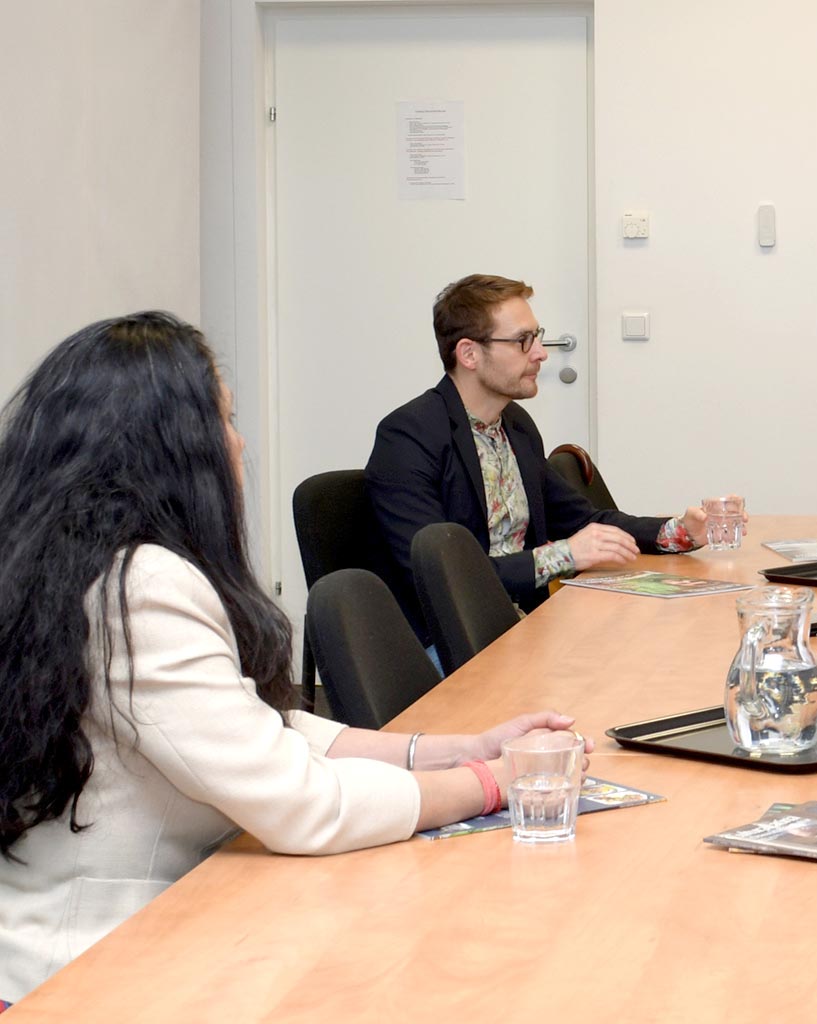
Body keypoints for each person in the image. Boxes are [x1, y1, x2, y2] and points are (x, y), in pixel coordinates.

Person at [0, 312, 592, 1003]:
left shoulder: (74, 566)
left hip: (124, 939)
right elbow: (302, 804)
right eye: (224, 420)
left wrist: (459, 749)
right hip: (97, 971)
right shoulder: (143, 588)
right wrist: (494, 784)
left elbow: (253, 724)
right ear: (169, 448)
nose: (239, 442)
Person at [366, 273, 729, 640]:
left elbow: (583, 521)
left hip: (527, 622)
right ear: (469, 353)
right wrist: (564, 555)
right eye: (523, 341)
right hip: (453, 639)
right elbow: (439, 576)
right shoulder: (407, 436)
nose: (540, 353)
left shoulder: (515, 425)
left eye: (537, 336)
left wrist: (678, 532)